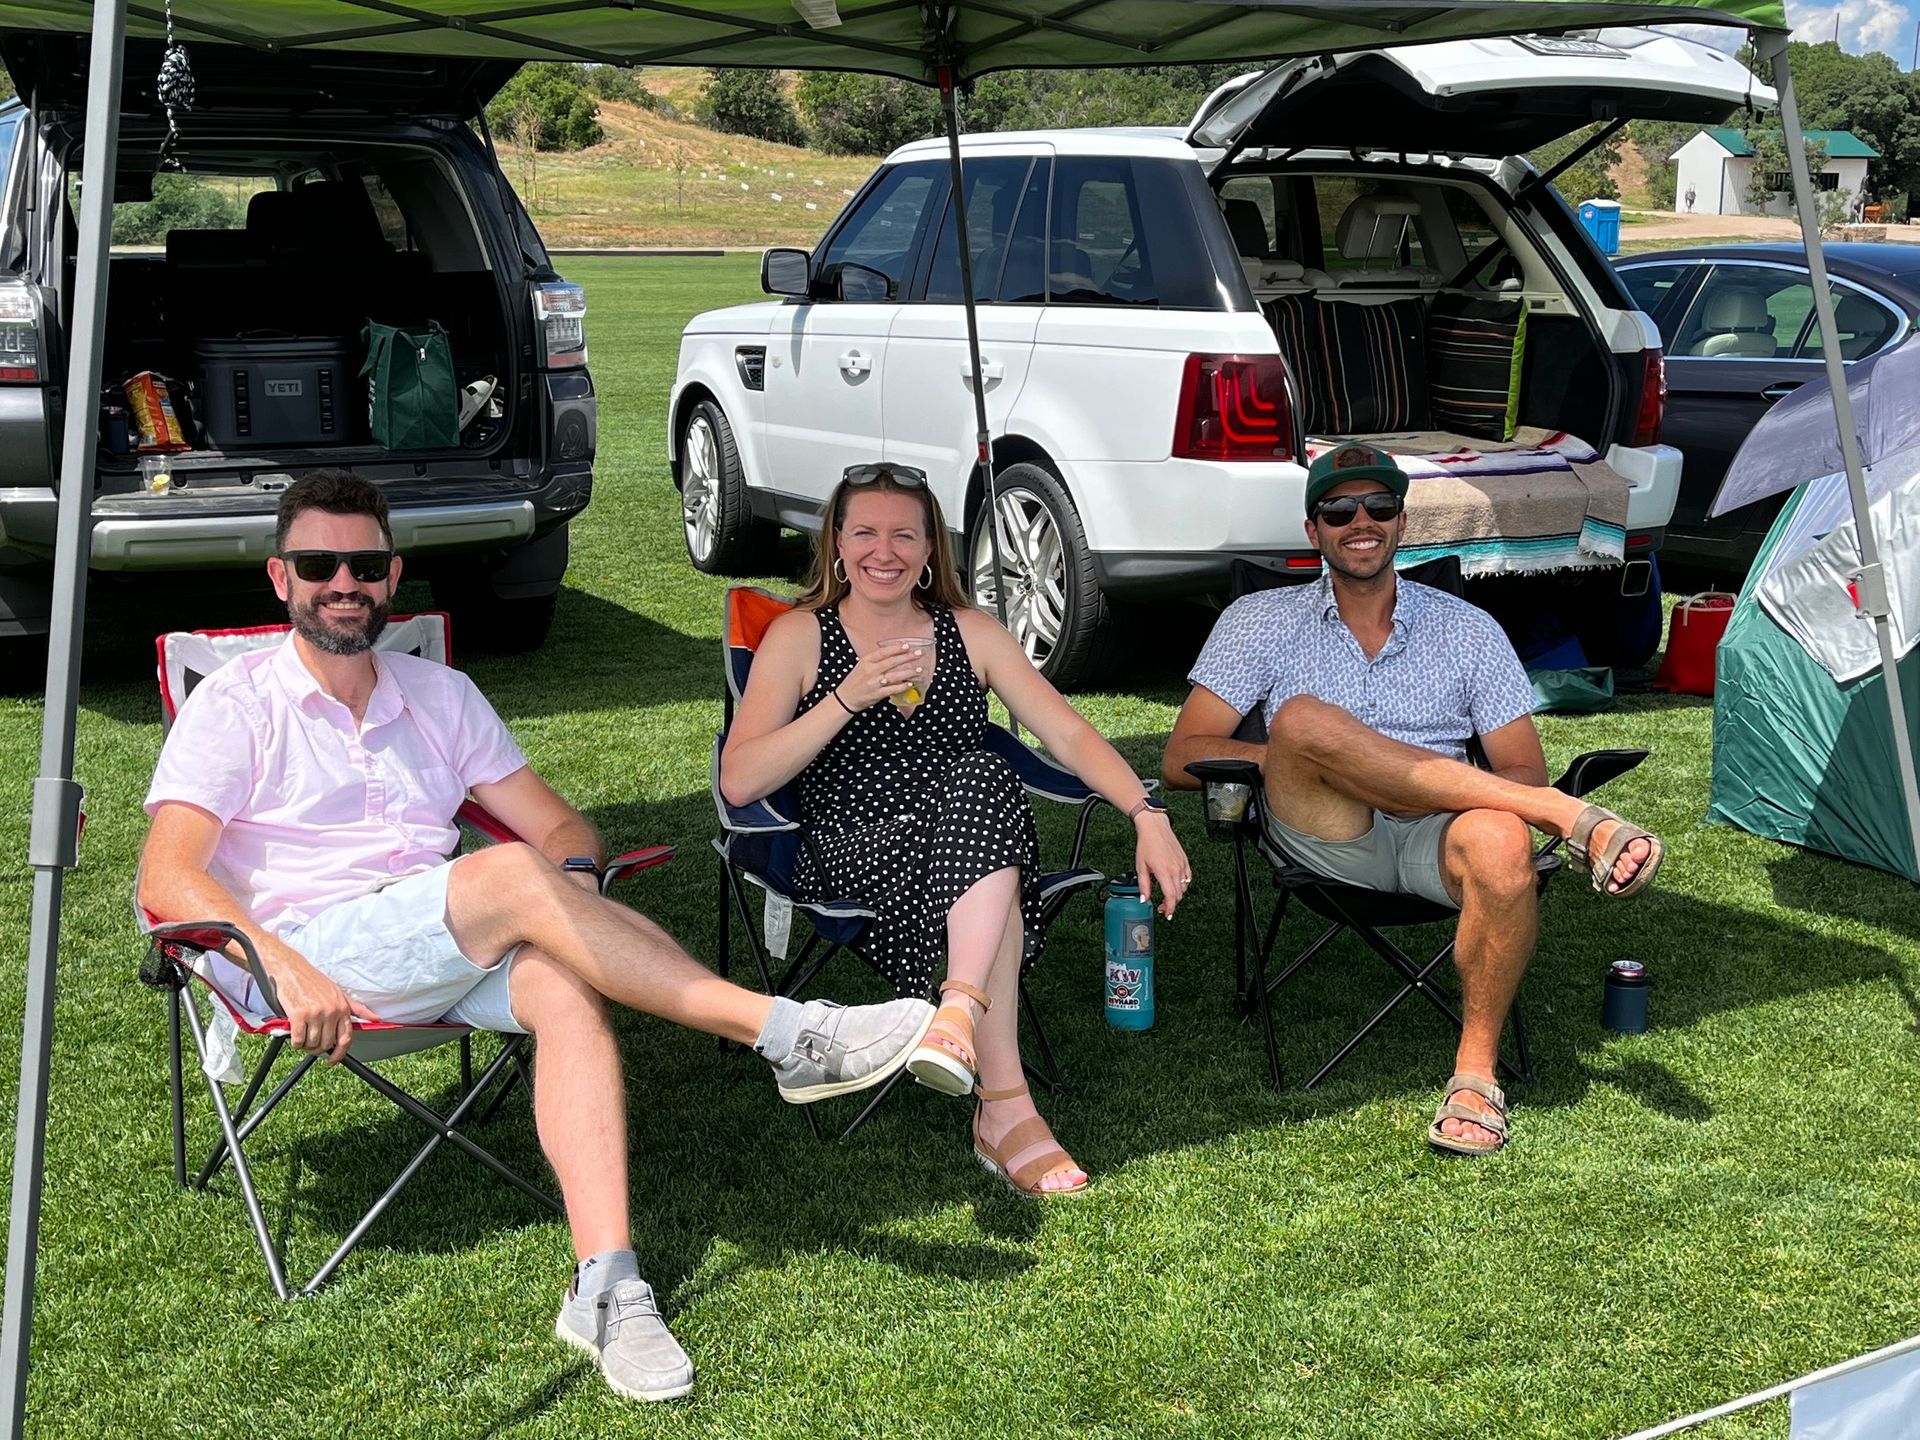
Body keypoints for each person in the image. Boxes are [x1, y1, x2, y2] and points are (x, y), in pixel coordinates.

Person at [138, 470, 935, 1405]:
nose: (342, 581)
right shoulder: (234, 707)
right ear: (282, 577)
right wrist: (279, 960)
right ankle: (784, 1031)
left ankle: (606, 1288)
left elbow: (564, 832)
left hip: (441, 939)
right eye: (319, 563)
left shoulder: (439, 694)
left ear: (393, 575)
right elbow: (166, 876)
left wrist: (569, 900)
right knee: (510, 878)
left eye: (362, 562)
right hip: (302, 961)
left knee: (563, 978)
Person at [1160, 442, 1665, 1157]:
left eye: (1379, 505)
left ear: (1403, 522)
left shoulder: (1469, 629)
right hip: (1323, 831)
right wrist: (1324, 762)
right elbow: (1182, 756)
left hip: (1442, 836)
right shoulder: (1258, 620)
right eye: (1338, 509)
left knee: (1501, 836)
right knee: (1304, 720)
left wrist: (1419, 785)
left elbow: (1522, 770)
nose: (1359, 521)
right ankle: (1572, 819)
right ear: (1313, 529)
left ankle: (1475, 1075)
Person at [719, 463, 1191, 1197]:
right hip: (854, 851)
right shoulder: (799, 637)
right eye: (866, 532)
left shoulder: (970, 632)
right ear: (837, 546)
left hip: (968, 847)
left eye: (904, 534)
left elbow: (1067, 736)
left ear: (931, 549)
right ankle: (1001, 1098)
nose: (885, 551)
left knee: (980, 778)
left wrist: (1146, 812)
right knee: (992, 850)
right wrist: (847, 697)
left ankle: (960, 1018)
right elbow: (742, 778)